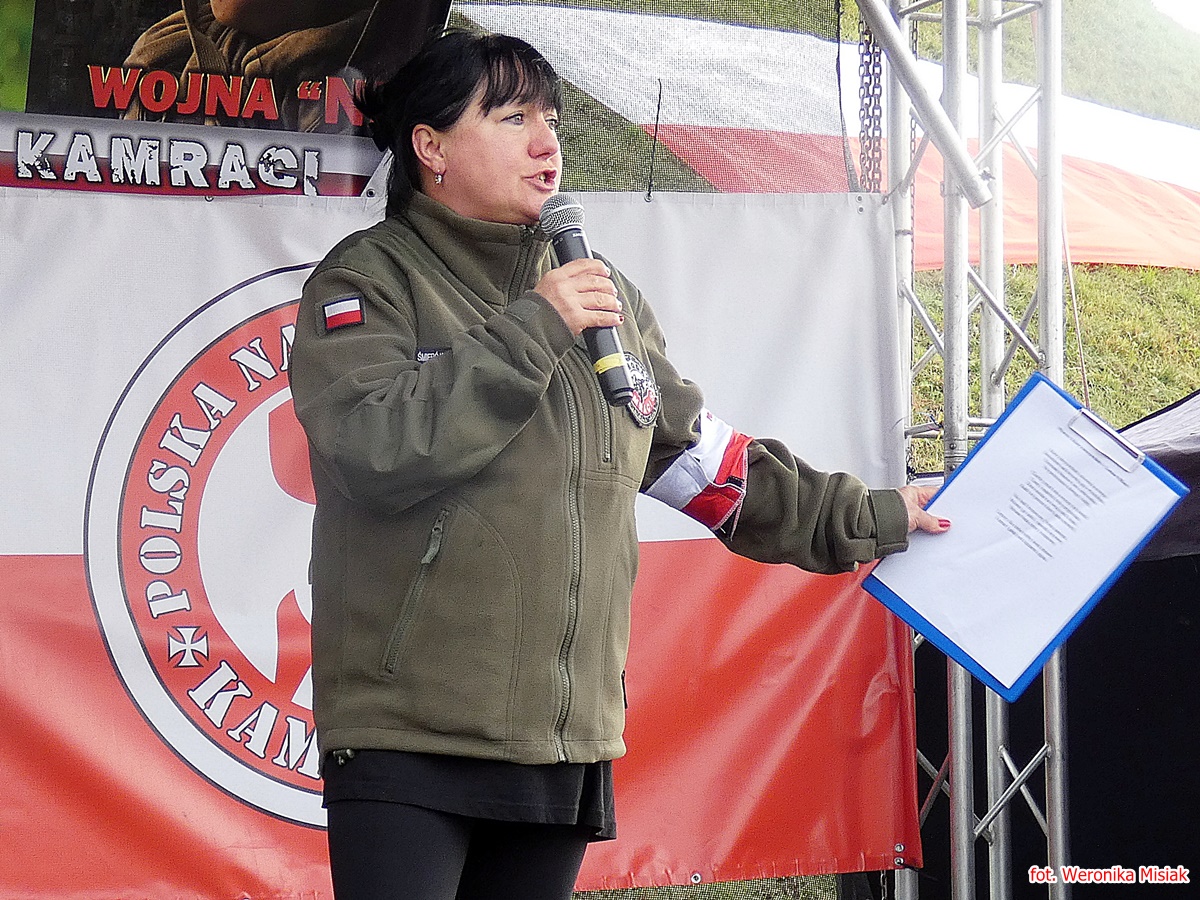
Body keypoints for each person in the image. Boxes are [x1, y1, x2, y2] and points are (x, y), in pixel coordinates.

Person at [288, 28, 949, 900]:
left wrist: (874, 515)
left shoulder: (599, 291)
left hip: (564, 740)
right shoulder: (370, 280)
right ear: (431, 147)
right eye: (513, 117)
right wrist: (536, 327)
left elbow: (702, 464)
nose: (547, 142)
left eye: (552, 120)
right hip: (411, 737)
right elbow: (370, 447)